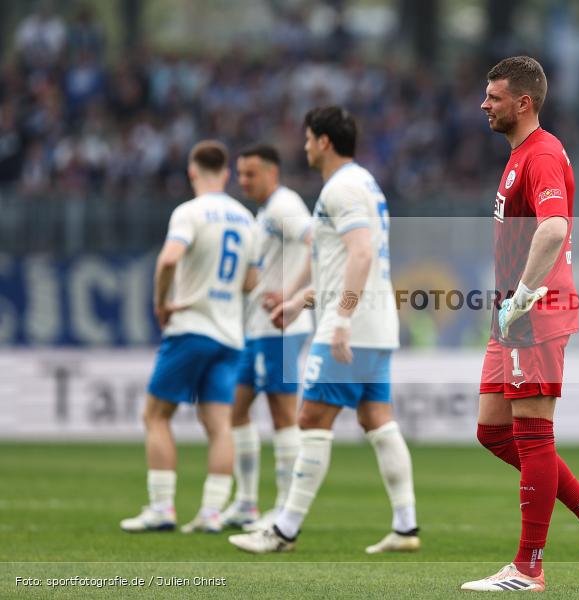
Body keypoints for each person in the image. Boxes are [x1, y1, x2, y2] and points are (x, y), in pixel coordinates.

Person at [460, 57, 579, 592]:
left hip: (535, 311)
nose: (484, 104)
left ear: (524, 102)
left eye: (494, 96)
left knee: (534, 436)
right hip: (513, 313)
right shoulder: (520, 157)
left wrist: (524, 297)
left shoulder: (543, 155)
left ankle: (527, 567)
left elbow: (554, 229)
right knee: (492, 429)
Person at [228, 106, 420, 555]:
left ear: (325, 142)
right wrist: (299, 301)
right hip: (377, 324)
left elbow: (360, 256)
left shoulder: (343, 188)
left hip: (351, 324)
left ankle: (284, 530)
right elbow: (339, 264)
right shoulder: (363, 184)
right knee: (377, 418)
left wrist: (343, 319)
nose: (306, 146)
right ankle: (406, 525)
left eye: (309, 138)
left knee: (310, 418)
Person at [120, 140, 259, 534]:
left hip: (191, 327)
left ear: (192, 172)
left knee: (156, 414)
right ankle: (212, 513)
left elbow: (168, 259)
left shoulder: (190, 212)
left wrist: (161, 302)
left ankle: (162, 507)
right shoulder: (245, 217)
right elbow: (251, 281)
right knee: (219, 423)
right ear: (228, 174)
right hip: (230, 334)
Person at [221, 144, 314, 532]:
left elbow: (316, 243)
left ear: (272, 172)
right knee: (237, 411)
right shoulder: (265, 214)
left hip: (281, 329)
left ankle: (282, 507)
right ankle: (245, 502)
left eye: (251, 174)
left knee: (281, 415)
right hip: (258, 329)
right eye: (240, 174)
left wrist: (290, 295)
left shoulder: (284, 205)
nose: (244, 181)